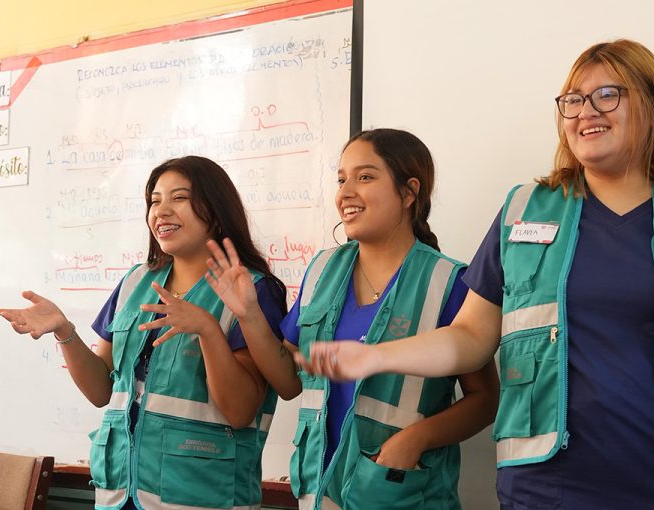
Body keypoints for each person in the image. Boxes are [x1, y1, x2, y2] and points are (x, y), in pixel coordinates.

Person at [297, 40, 654, 510]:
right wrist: (375, 357)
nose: (585, 112)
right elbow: (470, 338)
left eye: (607, 95)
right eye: (573, 101)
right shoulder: (523, 210)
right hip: (551, 486)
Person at [204, 128, 499, 510]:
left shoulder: (451, 282)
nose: (345, 193)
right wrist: (248, 314)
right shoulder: (323, 269)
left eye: (365, 177)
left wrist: (415, 439)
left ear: (409, 192)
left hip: (400, 492)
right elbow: (289, 382)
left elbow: (485, 399)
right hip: (317, 492)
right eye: (341, 179)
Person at [0, 155, 287, 510]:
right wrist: (64, 331)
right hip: (122, 493)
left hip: (202, 495)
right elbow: (103, 391)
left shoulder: (253, 291)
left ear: (216, 208)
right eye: (154, 200)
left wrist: (208, 332)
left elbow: (241, 411)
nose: (161, 211)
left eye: (179, 198)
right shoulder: (136, 281)